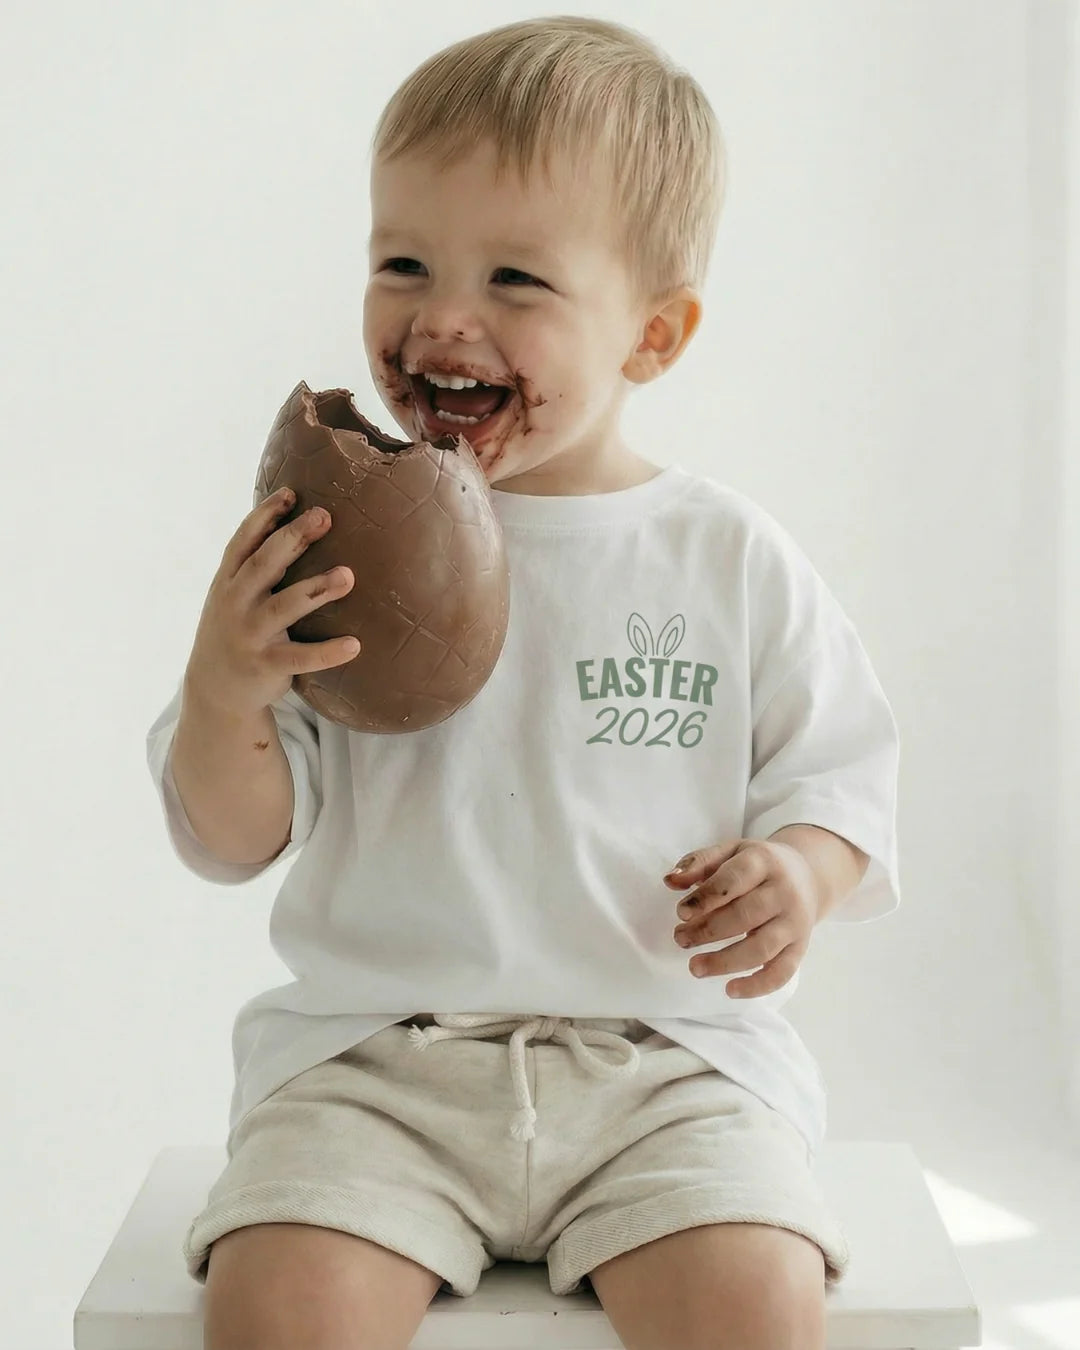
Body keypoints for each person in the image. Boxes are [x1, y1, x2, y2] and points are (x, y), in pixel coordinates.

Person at [145, 17, 901, 1350]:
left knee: (753, 1302)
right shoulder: (332, 542)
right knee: (277, 1307)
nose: (442, 316)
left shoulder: (722, 558)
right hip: (377, 1062)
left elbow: (841, 770)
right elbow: (232, 837)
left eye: (515, 281)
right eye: (403, 262)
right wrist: (226, 689)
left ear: (654, 334)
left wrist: (800, 871)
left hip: (666, 1066)